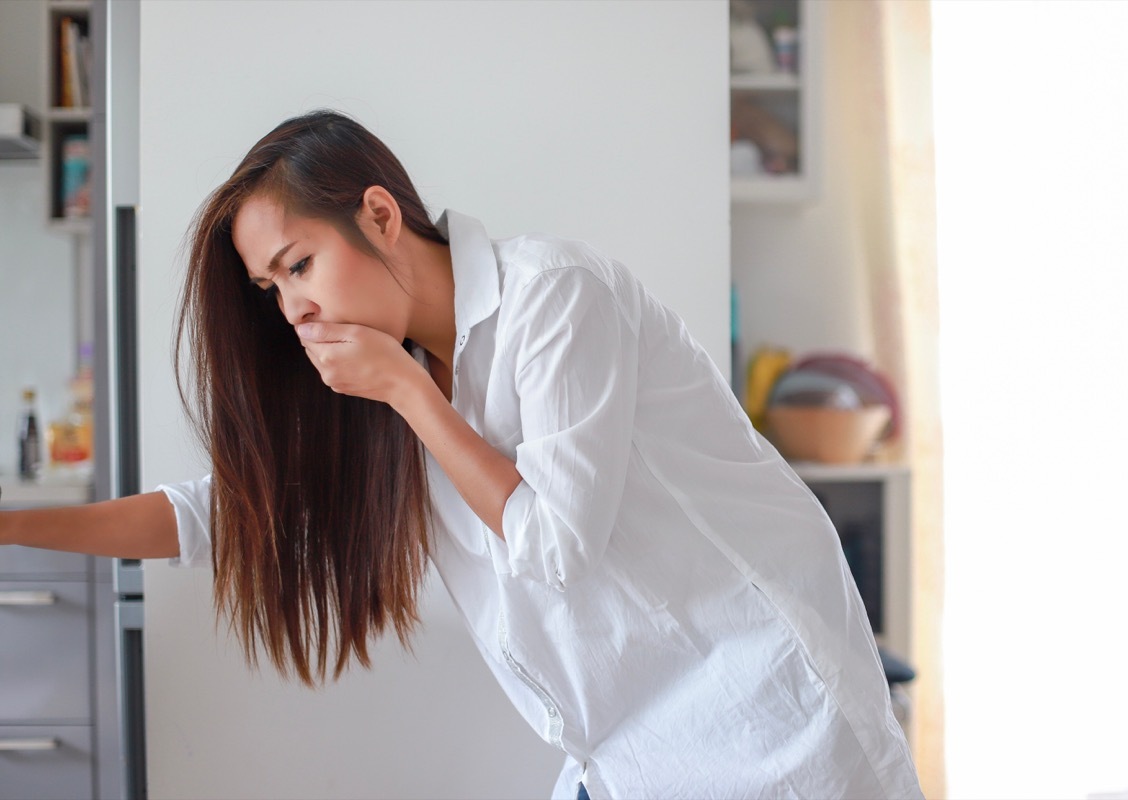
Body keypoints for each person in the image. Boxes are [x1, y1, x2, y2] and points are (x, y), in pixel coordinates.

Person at [0, 110, 923, 799]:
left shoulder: (553, 300)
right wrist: (12, 526)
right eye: (270, 288)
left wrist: (410, 393)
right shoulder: (382, 388)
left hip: (767, 724)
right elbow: (217, 512)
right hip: (628, 758)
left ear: (378, 214)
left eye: (300, 265)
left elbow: (556, 545)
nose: (292, 311)